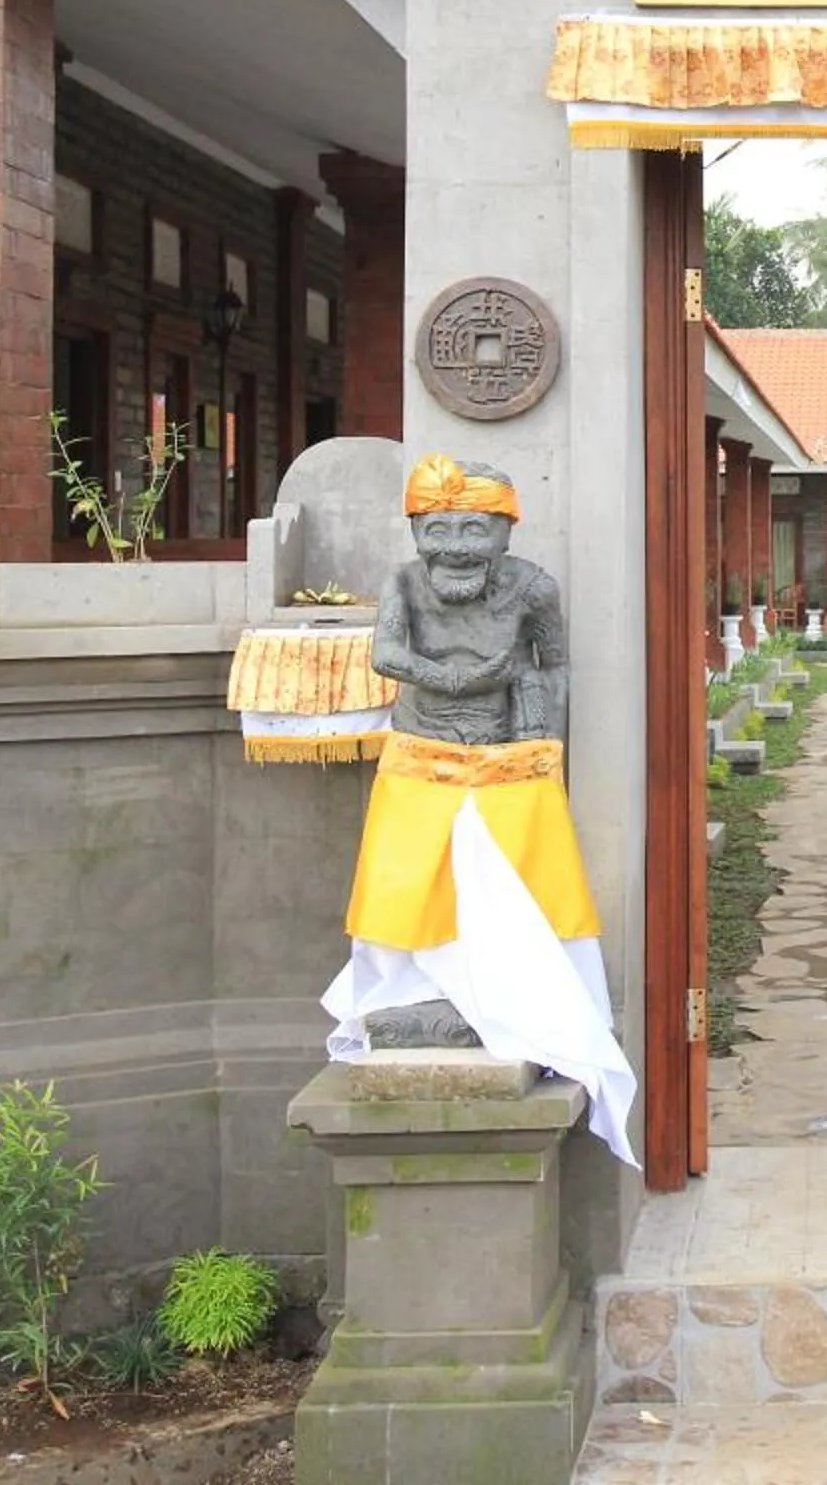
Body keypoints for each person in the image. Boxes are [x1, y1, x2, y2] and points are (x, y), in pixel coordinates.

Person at [319, 454, 636, 1165]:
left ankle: (516, 995)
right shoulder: (403, 581)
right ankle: (414, 993)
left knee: (510, 880)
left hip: (506, 757)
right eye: (437, 529)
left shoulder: (534, 589)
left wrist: (539, 736)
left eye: (473, 529)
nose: (455, 546)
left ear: (505, 533)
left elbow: (551, 662)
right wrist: (447, 677)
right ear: (415, 531)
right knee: (410, 884)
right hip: (421, 750)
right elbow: (385, 653)